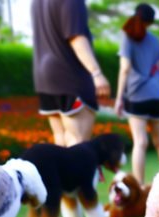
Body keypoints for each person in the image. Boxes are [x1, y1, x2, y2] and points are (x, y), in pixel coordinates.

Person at [31, 0, 111, 147]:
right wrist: (96, 73)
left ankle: (62, 170)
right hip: (69, 76)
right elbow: (76, 38)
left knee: (60, 137)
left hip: (43, 76)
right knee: (78, 141)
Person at [114, 3, 159, 184]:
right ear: (151, 22)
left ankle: (138, 187)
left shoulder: (127, 37)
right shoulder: (155, 40)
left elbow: (125, 68)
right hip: (157, 97)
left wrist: (118, 98)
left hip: (137, 95)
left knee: (140, 142)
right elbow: (157, 69)